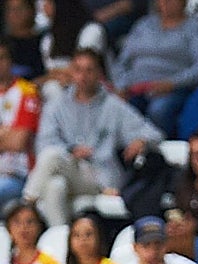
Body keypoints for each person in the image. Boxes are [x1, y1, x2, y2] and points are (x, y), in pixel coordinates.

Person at [23, 47, 163, 227]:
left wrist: (142, 141)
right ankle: (61, 241)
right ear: (71, 72)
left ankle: (26, 205)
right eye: (78, 70)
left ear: (99, 73)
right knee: (54, 186)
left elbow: (154, 133)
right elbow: (43, 143)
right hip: (68, 168)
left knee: (52, 157)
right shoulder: (57, 105)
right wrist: (71, 150)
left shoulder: (113, 106)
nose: (83, 76)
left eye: (89, 70)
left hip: (100, 177)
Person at [110, 0, 198, 138]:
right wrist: (121, 85)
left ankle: (159, 149)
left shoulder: (197, 30)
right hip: (134, 88)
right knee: (115, 105)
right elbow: (122, 62)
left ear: (183, 3)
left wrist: (172, 83)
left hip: (174, 89)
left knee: (159, 109)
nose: (165, 3)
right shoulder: (143, 25)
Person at [0, 39, 41, 209]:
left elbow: (19, 141)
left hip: (18, 174)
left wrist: (9, 136)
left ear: (11, 61)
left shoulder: (27, 91)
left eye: (2, 58)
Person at [36, 0, 106, 98]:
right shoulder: (48, 40)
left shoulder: (92, 30)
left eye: (49, 2)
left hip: (94, 89)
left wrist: (63, 74)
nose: (44, 7)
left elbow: (84, 68)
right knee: (49, 88)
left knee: (52, 88)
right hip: (62, 89)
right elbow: (51, 73)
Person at [6, 0, 46, 82]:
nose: (15, 14)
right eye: (11, 9)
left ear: (32, 11)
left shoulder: (44, 41)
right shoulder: (3, 43)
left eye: (20, 8)